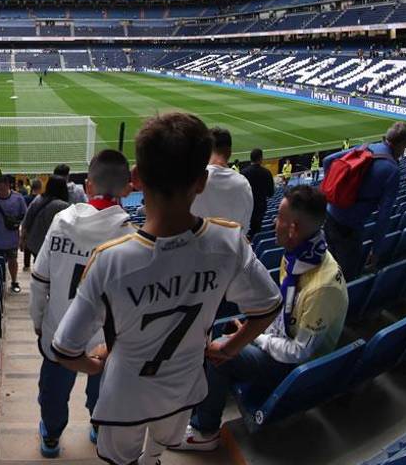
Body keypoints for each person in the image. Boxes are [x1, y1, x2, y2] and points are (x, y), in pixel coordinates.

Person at [52, 113, 283, 465]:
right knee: (157, 448)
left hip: (125, 395)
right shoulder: (229, 241)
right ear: (202, 182)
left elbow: (64, 350)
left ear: (137, 179)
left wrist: (97, 363)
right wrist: (231, 346)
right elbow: (268, 306)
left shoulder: (111, 261)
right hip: (184, 388)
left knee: (121, 458)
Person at [178, 186, 348, 450]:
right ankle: (204, 399)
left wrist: (256, 339)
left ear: (293, 228)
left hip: (293, 367)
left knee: (215, 356)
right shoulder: (302, 255)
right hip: (280, 337)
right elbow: (283, 310)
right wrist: (250, 332)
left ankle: (205, 430)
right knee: (226, 331)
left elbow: (299, 353)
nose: (273, 221)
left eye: (278, 216)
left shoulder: (321, 288)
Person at [30, 154, 134, 456]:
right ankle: (99, 426)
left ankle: (51, 436)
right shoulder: (130, 236)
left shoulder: (61, 222)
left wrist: (38, 320)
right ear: (127, 188)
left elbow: (39, 281)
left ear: (88, 186)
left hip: (58, 329)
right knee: (102, 385)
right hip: (104, 339)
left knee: (53, 391)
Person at [321, 122, 406, 280]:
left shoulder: (366, 148)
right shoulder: (392, 171)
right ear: (402, 144)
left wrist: (333, 188)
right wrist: (376, 250)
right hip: (349, 227)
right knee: (346, 277)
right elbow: (384, 215)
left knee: (327, 267)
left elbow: (328, 160)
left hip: (329, 216)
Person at [190, 128, 253, 231]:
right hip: (233, 245)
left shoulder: (193, 182)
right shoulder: (243, 184)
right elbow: (244, 227)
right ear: (230, 152)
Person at [0, 174, 27, 292]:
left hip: (11, 239)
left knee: (13, 261)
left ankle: (14, 281)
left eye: (1, 189)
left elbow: (25, 216)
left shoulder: (18, 198)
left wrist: (22, 237)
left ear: (8, 186)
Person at [23, 175, 72, 265]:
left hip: (35, 243)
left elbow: (27, 219)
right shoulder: (63, 206)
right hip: (53, 246)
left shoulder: (38, 199)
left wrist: (23, 238)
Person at [243, 148, 275, 239]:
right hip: (260, 207)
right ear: (261, 158)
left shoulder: (244, 172)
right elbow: (270, 193)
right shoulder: (267, 173)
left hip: (247, 207)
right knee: (256, 227)